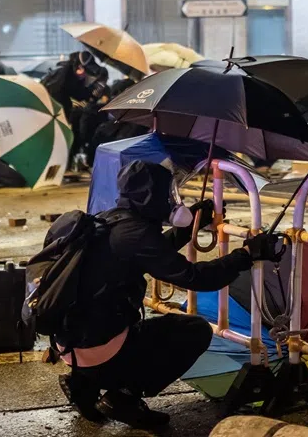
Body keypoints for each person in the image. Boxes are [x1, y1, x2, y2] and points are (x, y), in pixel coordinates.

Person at [53, 160, 280, 428]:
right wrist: (244, 256)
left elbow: (153, 254)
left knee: (120, 325)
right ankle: (124, 397)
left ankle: (83, 383)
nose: (171, 200)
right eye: (167, 193)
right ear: (152, 196)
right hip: (100, 349)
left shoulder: (110, 219)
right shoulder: (135, 233)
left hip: (70, 345)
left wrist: (188, 228)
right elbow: (194, 277)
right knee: (194, 330)